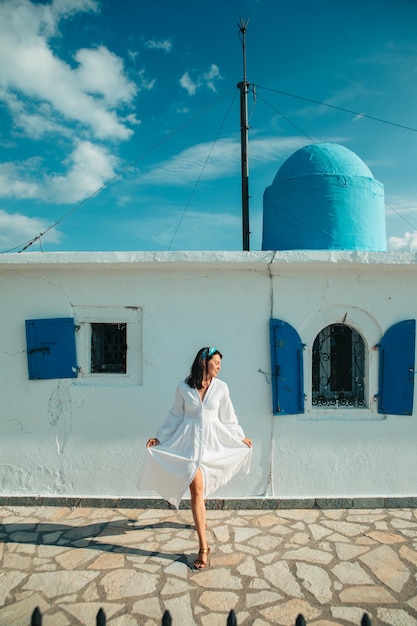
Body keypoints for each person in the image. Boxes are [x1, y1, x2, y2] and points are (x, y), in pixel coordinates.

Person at [138, 346, 253, 570]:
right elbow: (175, 416)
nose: (219, 367)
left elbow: (229, 418)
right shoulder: (183, 387)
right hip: (188, 444)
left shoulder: (221, 388)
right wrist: (160, 438)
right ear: (204, 362)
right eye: (216, 362)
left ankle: (200, 518)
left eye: (220, 363)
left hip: (213, 444)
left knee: (202, 489)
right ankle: (203, 547)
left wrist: (240, 438)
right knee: (196, 490)